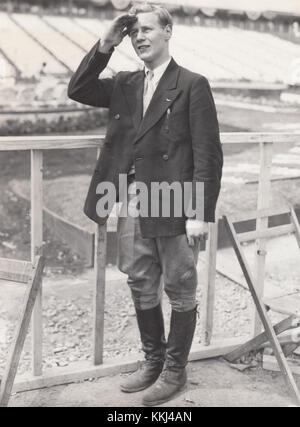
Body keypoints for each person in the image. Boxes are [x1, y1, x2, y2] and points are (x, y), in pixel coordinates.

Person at [68, 2, 223, 406]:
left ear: (168, 32)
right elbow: (79, 89)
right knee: (139, 279)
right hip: (133, 199)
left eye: (147, 29)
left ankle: (175, 371)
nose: (139, 37)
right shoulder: (125, 83)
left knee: (180, 285)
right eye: (133, 31)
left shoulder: (192, 83)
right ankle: (154, 362)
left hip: (174, 202)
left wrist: (199, 215)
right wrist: (105, 43)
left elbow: (208, 155)